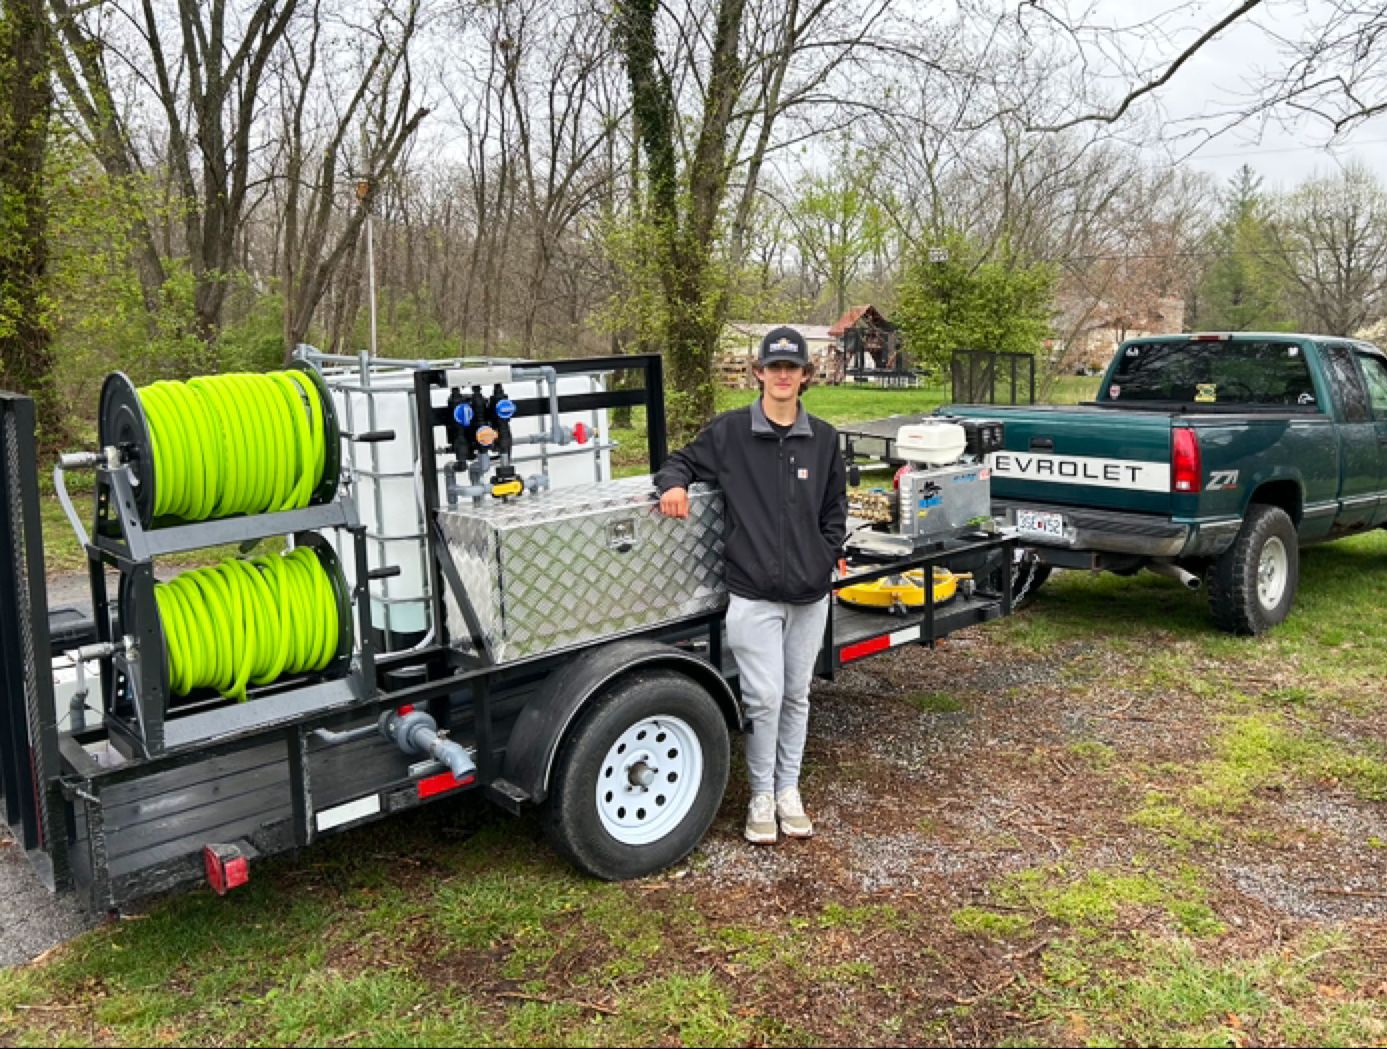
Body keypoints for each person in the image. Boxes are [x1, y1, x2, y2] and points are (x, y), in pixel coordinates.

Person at [654, 326, 847, 844]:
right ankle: (761, 794)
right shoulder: (731, 432)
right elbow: (681, 461)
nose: (783, 376)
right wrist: (673, 485)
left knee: (797, 695)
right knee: (764, 696)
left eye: (793, 368)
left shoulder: (825, 439)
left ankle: (789, 790)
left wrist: (824, 558)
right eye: (774, 367)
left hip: (810, 595)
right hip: (752, 593)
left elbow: (835, 512)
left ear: (805, 376)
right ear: (759, 373)